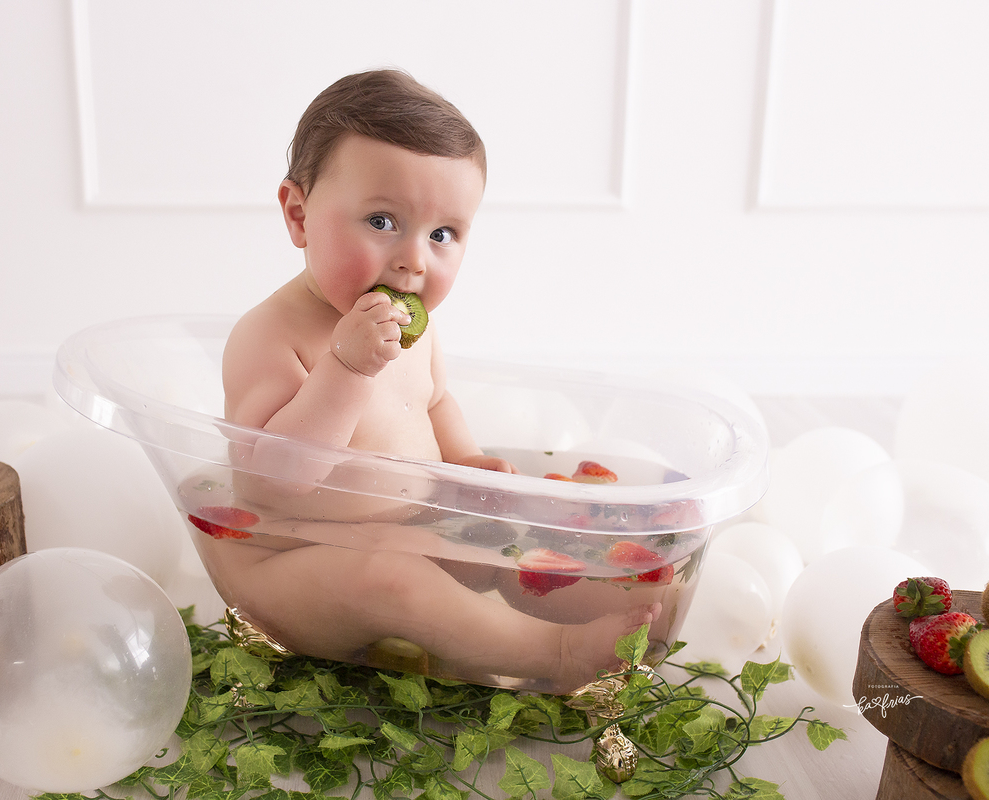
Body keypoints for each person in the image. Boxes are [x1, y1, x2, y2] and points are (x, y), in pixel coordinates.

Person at [204, 69, 656, 691]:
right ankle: (553, 655)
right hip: (294, 569)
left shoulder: (416, 330)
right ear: (299, 215)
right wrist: (346, 369)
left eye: (442, 234)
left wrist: (466, 462)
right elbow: (273, 481)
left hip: (411, 532)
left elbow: (435, 403)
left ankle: (619, 613)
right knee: (390, 579)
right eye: (382, 221)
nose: (413, 260)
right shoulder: (269, 335)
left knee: (502, 544)